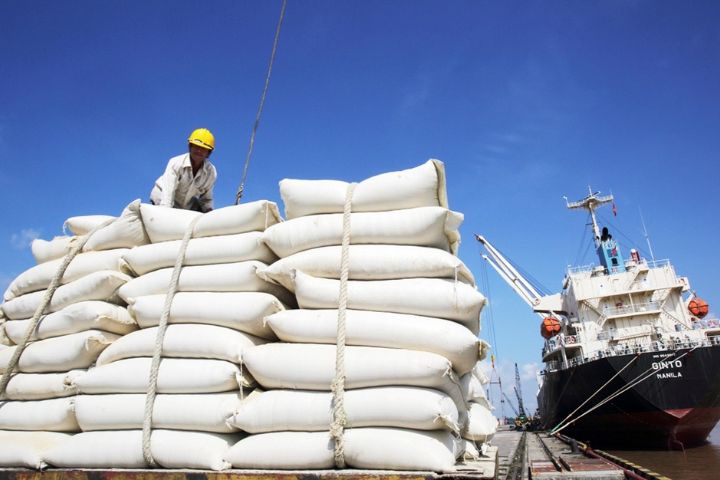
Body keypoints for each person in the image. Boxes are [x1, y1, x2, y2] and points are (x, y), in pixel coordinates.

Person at [150, 128, 217, 212]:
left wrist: (210, 213)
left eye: (203, 148)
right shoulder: (176, 163)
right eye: (196, 146)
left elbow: (206, 199)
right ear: (190, 147)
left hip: (186, 206)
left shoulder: (211, 172)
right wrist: (165, 213)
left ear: (208, 153)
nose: (199, 150)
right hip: (161, 198)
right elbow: (167, 195)